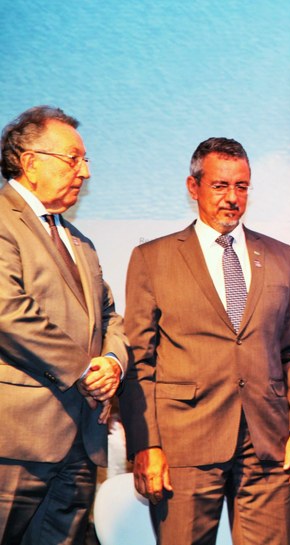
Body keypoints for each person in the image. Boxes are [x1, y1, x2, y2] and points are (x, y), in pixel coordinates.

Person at [119, 137, 290, 545]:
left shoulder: (281, 256)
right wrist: (146, 444)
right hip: (184, 443)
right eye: (220, 186)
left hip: (269, 444)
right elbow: (140, 359)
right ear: (193, 187)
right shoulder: (152, 259)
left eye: (241, 187)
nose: (232, 198)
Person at [0, 105, 129, 544]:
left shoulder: (80, 242)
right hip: (17, 440)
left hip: (80, 442)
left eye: (84, 160)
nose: (85, 172)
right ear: (30, 162)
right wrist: (85, 370)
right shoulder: (3, 221)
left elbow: (109, 316)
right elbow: (8, 313)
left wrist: (112, 362)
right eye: (73, 159)